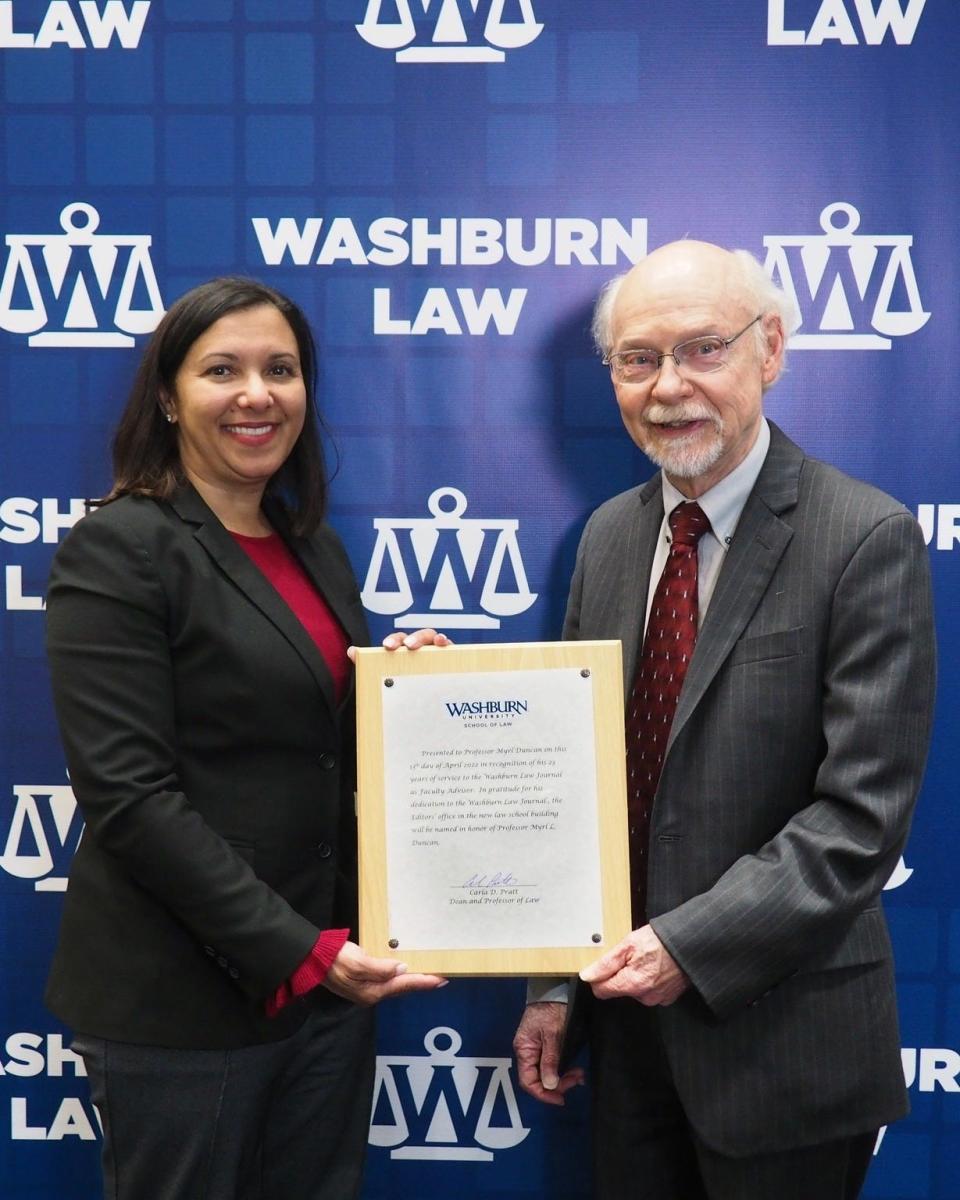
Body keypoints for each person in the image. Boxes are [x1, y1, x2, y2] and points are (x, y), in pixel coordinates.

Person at [512, 241, 936, 1200]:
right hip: (625, 1042)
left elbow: (859, 821)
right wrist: (548, 987)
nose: (669, 387)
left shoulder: (864, 536)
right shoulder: (610, 538)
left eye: (703, 349)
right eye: (638, 359)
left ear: (771, 349)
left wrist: (686, 948)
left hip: (786, 1047)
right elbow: (572, 786)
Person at [44, 277, 449, 1200]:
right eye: (221, 370)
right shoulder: (121, 547)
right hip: (188, 996)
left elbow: (307, 732)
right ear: (166, 396)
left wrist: (407, 689)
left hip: (328, 983)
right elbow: (129, 797)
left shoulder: (313, 547)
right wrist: (297, 950)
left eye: (281, 369)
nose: (257, 395)